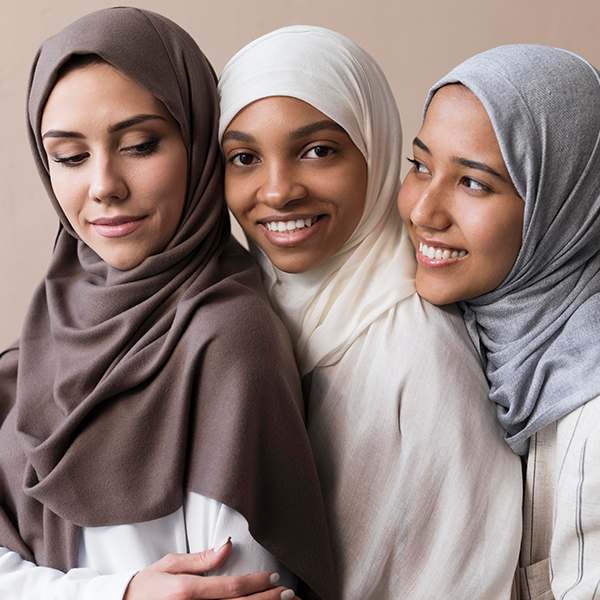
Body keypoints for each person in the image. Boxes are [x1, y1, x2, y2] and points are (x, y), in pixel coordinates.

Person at [0, 8, 336, 600]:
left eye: (139, 144)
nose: (103, 184)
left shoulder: (229, 341)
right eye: (70, 157)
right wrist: (119, 594)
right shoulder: (52, 322)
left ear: (200, 142)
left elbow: (232, 588)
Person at [219, 26, 522, 600]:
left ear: (377, 154)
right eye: (244, 158)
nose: (278, 190)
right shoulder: (240, 319)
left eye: (318, 150)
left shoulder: (419, 354)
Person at [398, 44, 600, 600]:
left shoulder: (591, 409)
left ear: (562, 203)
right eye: (419, 166)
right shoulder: (472, 326)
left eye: (474, 183)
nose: (423, 212)